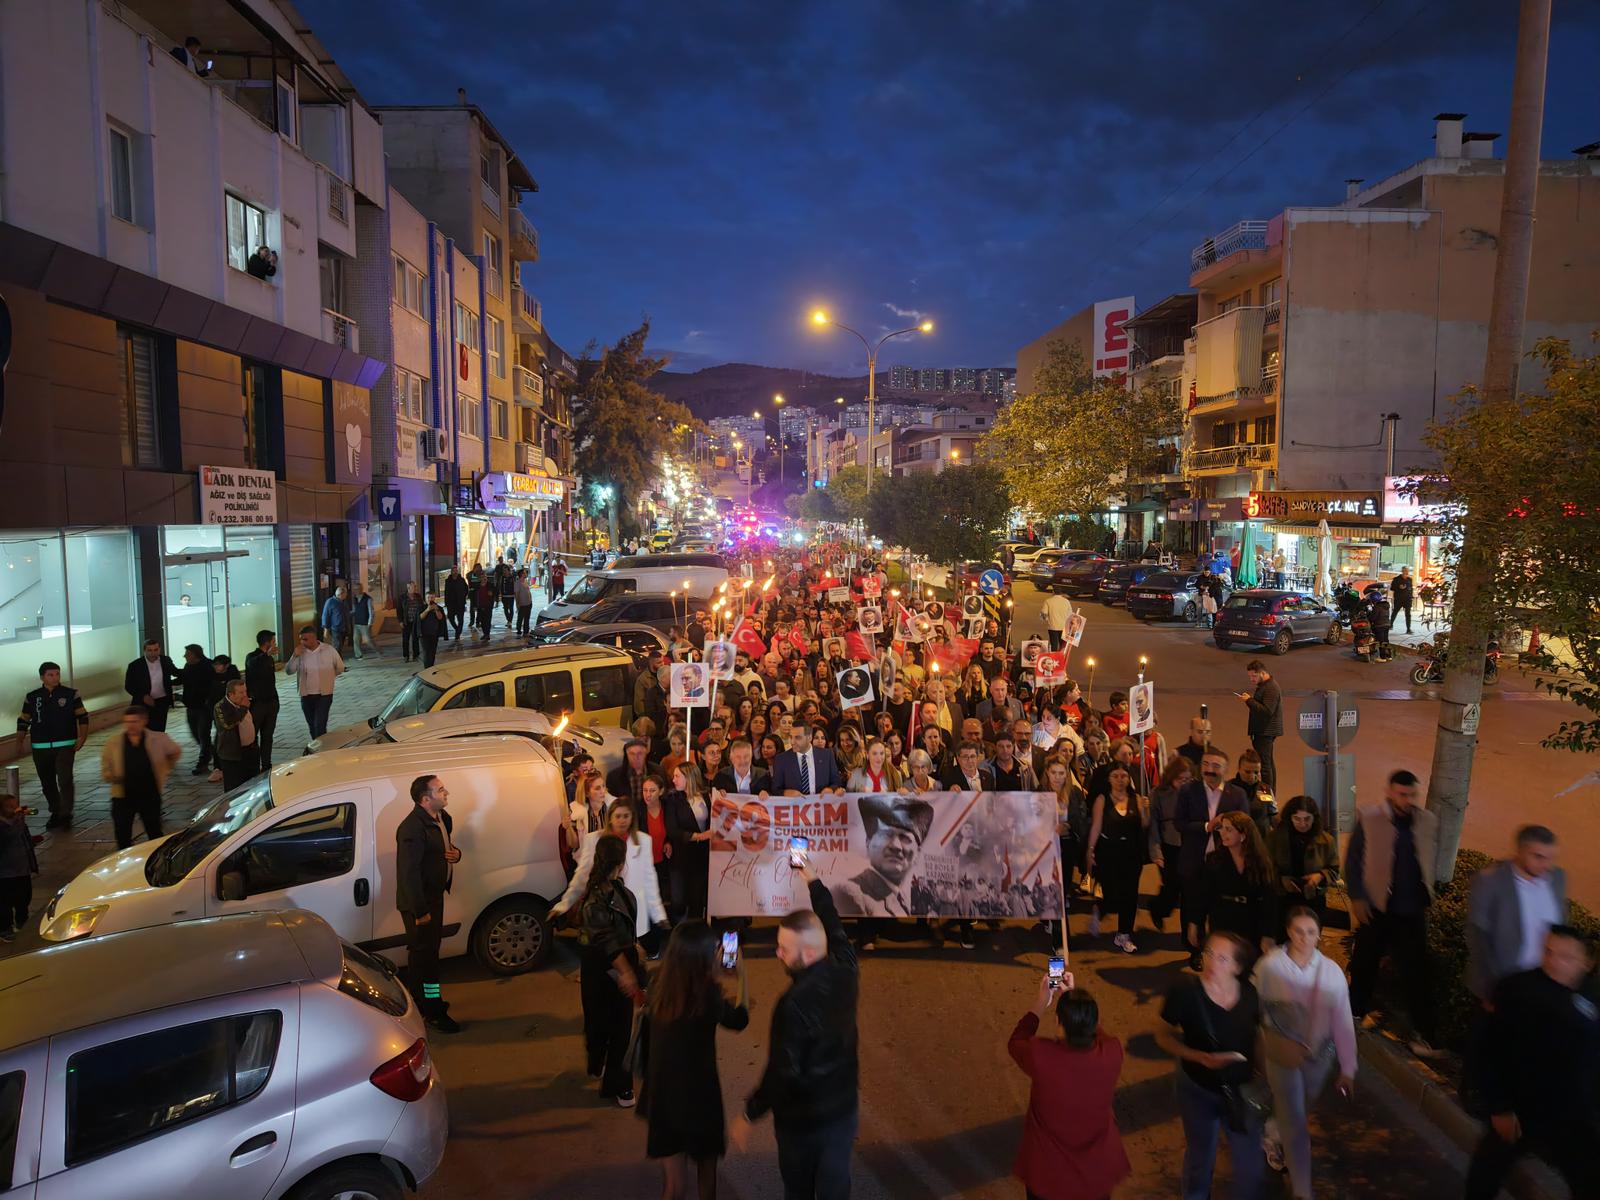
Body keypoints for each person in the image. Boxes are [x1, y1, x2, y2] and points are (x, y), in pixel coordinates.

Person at [731, 856, 860, 1198]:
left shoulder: (792, 1005)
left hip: (802, 1124)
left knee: (799, 1189)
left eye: (784, 949)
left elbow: (782, 1073)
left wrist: (749, 1113)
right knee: (835, 1188)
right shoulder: (847, 969)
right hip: (842, 1108)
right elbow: (831, 921)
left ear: (806, 954)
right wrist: (811, 878)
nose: (777, 954)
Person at [1463, 925, 1599, 1200]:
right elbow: (1486, 1048)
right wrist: (1499, 1107)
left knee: (1590, 1183)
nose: (1553, 962)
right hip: (1522, 1107)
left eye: (1565, 957)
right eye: (1548, 952)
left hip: (1573, 1114)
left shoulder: (1592, 994)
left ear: (1586, 962)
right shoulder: (1517, 989)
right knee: (1485, 1175)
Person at [642, 921, 752, 1199]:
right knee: (706, 1176)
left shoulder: (657, 984)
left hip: (663, 1098)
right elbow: (740, 1019)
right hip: (699, 1099)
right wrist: (741, 975)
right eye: (714, 947)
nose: (718, 951)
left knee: (674, 1187)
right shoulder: (708, 995)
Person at [1254, 907, 1356, 1200]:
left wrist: (1347, 1067)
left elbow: (1343, 1020)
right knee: (1297, 1121)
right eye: (1298, 931)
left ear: (1320, 935)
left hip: (1318, 1058)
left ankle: (1272, 1132)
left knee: (1301, 1106)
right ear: (1288, 932)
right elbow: (1254, 1010)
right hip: (1281, 1058)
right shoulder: (1268, 967)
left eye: (1311, 932)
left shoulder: (1332, 972)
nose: (1304, 938)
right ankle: (1302, 1190)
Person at [1156, 930, 1267, 1200]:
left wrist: (1264, 1074)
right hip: (1197, 1089)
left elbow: (1258, 1036)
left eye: (1222, 958)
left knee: (1249, 1164)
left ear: (1238, 967)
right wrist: (1200, 1058)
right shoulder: (1184, 993)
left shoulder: (1250, 994)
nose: (1211, 963)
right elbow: (1162, 1035)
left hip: (1240, 1091)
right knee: (1200, 1158)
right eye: (1208, 954)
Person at [1007, 968, 1129, 1200]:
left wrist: (1042, 1000)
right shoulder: (1112, 1052)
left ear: (1058, 1023)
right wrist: (1074, 1002)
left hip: (1048, 1175)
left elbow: (1017, 1041)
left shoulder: (1042, 1056)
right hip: (1096, 1174)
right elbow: (1096, 1033)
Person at [1345, 768, 1442, 1057]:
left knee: (1416, 972)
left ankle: (1424, 1034)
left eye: (1413, 794)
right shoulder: (1370, 818)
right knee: (1364, 964)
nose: (1408, 799)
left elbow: (1429, 857)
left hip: (1411, 910)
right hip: (1377, 907)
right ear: (1389, 792)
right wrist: (1358, 897)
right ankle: (1354, 1014)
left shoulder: (1427, 821)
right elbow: (1352, 861)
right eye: (1402, 794)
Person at [577, 834, 645, 1106]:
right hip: (606, 969)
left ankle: (617, 1083)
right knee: (604, 1025)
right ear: (620, 862)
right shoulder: (596, 897)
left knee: (618, 1028)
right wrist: (626, 972)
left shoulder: (618, 890)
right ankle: (606, 1071)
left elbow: (622, 930)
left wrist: (635, 947)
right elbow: (604, 939)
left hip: (613, 965)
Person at [1466, 824, 1567, 1005]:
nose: (1546, 865)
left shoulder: (1558, 877)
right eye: (1538, 857)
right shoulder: (1490, 881)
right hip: (1504, 986)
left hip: (1544, 985)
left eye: (1551, 858)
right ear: (1520, 851)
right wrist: (1492, 991)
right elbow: (1478, 938)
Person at [396, 774, 463, 1034]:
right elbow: (408, 873)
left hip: (433, 899)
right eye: (440, 790)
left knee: (424, 955)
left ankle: (421, 1004)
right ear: (425, 799)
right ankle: (433, 1010)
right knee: (427, 959)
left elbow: (447, 848)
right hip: (420, 905)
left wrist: (457, 855)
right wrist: (420, 912)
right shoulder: (412, 829)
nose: (446, 792)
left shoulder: (442, 819)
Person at [554, 803, 670, 946]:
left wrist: (658, 913)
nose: (622, 820)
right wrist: (564, 904)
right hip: (605, 907)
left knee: (629, 949)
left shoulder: (643, 840)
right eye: (618, 816)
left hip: (632, 907)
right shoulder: (594, 839)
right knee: (609, 949)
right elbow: (581, 875)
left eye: (626, 816)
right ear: (610, 818)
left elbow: (649, 879)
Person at [1176, 748, 1250, 969]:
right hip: (1194, 862)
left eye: (1216, 766)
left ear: (1226, 770)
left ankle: (1219, 952)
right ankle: (1195, 951)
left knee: (1218, 909)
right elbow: (1179, 823)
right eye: (1206, 764)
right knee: (1191, 908)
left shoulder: (1237, 795)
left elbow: (1246, 826)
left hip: (1223, 865)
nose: (1209, 770)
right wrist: (1208, 826)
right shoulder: (1188, 791)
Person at [831, 795, 934, 918]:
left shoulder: (903, 899)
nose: (896, 846)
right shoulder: (849, 892)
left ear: (918, 853)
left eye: (905, 838)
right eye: (886, 835)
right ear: (868, 843)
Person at [1194, 810, 1278, 959]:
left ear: (1243, 835)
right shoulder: (1214, 860)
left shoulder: (1260, 862)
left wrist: (1268, 934)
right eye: (1221, 828)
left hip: (1251, 920)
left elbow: (1269, 900)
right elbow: (1203, 895)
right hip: (1223, 919)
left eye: (1229, 829)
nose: (1223, 833)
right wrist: (1195, 923)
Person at [1086, 762, 1149, 953]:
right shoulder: (1102, 799)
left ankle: (1123, 934)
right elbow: (1096, 825)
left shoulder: (1136, 798)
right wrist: (1090, 850)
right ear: (1109, 778)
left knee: (1129, 895)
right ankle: (1101, 908)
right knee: (1112, 893)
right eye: (1116, 776)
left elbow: (1144, 824)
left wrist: (1146, 809)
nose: (1120, 780)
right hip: (1108, 851)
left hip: (1131, 852)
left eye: (1124, 776)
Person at [17, 660, 88, 830]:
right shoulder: (32, 697)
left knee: (64, 779)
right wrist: (19, 741)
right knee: (47, 781)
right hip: (40, 746)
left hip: (65, 744)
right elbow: (24, 720)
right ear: (42, 677)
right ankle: (55, 811)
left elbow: (83, 716)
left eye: (57, 674)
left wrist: (82, 737)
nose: (55, 678)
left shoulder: (71, 694)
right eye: (50, 675)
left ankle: (65, 813)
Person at [100, 705, 181, 849]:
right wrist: (112, 776)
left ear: (144, 721)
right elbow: (106, 765)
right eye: (127, 722)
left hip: (149, 793)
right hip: (122, 796)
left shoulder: (158, 739)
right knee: (122, 833)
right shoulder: (114, 742)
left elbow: (175, 752)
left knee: (154, 830)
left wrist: (164, 768)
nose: (130, 726)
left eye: (134, 721)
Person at [1266, 796, 1339, 930]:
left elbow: (1334, 869)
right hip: (1282, 897)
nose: (1303, 824)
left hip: (1313, 897)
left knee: (1308, 938)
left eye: (1307, 819)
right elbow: (1266, 868)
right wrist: (1282, 881)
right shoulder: (1274, 838)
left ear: (1314, 818)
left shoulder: (1326, 841)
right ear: (1290, 818)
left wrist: (1320, 876)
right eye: (1297, 819)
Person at [1148, 756, 1193, 933]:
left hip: (1189, 846)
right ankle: (1157, 908)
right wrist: (1156, 852)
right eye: (1180, 779)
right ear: (1171, 777)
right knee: (1172, 887)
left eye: (1188, 779)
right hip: (1169, 846)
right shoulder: (1159, 794)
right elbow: (1154, 825)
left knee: (1188, 888)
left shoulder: (1195, 792)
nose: (1184, 783)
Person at [665, 763, 715, 920]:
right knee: (678, 900)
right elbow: (673, 831)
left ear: (689, 777)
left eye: (677, 776)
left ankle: (694, 933)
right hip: (681, 856)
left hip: (701, 857)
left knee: (697, 898)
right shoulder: (672, 799)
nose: (673, 780)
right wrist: (700, 836)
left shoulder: (707, 796)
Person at [285, 624, 344, 740]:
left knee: (320, 725)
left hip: (324, 695)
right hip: (306, 695)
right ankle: (317, 746)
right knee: (312, 725)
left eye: (305, 639)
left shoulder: (328, 650)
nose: (302, 642)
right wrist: (294, 656)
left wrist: (329, 677)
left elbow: (340, 668)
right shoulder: (300, 653)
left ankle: (321, 749)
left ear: (314, 638)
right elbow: (289, 671)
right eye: (301, 639)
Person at [1238, 661, 1282, 791]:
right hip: (1263, 730)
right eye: (1250, 676)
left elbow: (1267, 711)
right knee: (1267, 762)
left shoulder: (1271, 688)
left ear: (1262, 673)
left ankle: (1269, 796)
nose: (1252, 679)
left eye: (1254, 676)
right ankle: (1271, 795)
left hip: (1265, 731)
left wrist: (1249, 701)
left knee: (1265, 765)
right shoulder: (1265, 686)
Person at [772, 718, 844, 795]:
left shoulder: (827, 755)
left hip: (820, 804)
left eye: (797, 737)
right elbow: (775, 789)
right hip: (795, 805)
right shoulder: (781, 759)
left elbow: (836, 781)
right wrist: (785, 792)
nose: (792, 742)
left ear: (809, 737)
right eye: (791, 737)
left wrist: (831, 789)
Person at [243, 630, 280, 773]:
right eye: (273, 641)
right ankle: (252, 766)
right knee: (252, 736)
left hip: (271, 702)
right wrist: (266, 655)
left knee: (268, 736)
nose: (275, 644)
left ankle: (266, 765)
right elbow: (253, 665)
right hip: (257, 704)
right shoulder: (252, 657)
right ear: (267, 643)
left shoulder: (268, 658)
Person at [176, 644, 216, 775]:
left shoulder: (208, 666)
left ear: (195, 654)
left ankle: (202, 762)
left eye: (187, 654)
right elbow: (182, 679)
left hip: (205, 707)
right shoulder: (188, 667)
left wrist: (208, 700)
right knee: (195, 733)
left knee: (203, 733)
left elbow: (213, 684)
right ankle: (213, 753)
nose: (185, 656)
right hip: (191, 706)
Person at [124, 637, 179, 732]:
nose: (153, 653)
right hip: (143, 702)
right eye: (149, 650)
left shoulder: (165, 660)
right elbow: (129, 686)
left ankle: (157, 746)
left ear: (159, 649)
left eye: (156, 650)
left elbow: (176, 672)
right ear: (144, 651)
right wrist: (143, 696)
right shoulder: (135, 665)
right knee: (143, 730)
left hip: (162, 701)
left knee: (159, 729)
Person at [212, 679, 258, 791]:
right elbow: (228, 724)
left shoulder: (245, 702)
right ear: (231, 694)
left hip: (250, 751)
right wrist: (243, 708)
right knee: (234, 788)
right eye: (241, 693)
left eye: (245, 691)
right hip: (233, 754)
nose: (244, 695)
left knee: (253, 785)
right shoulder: (221, 707)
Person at [416, 593, 447, 668]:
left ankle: (431, 667)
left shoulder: (438, 608)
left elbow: (440, 618)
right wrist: (427, 610)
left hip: (434, 633)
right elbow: (420, 618)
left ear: (434, 598)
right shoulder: (421, 607)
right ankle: (427, 668)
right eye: (428, 597)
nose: (430, 599)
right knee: (426, 652)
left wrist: (436, 610)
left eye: (432, 597)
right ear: (425, 599)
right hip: (424, 634)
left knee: (432, 652)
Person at [397, 581, 425, 662]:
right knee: (405, 639)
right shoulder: (402, 597)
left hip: (416, 621)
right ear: (409, 588)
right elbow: (399, 610)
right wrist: (400, 621)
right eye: (414, 587)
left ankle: (416, 656)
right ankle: (406, 656)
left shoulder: (418, 596)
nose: (415, 588)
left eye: (415, 586)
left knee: (415, 639)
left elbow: (422, 606)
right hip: (406, 621)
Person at [351, 584, 380, 658]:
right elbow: (354, 610)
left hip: (365, 623)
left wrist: (370, 623)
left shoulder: (368, 599)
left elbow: (371, 612)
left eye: (357, 589)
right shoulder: (355, 599)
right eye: (354, 589)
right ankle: (358, 655)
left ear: (361, 589)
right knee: (356, 640)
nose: (355, 591)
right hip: (357, 623)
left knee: (368, 640)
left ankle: (377, 650)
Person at [514, 569, 534, 637]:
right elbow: (517, 594)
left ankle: (526, 631)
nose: (526, 574)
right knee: (520, 618)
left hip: (528, 603)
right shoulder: (518, 583)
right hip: (522, 604)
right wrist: (517, 604)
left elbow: (529, 591)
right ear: (522, 574)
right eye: (525, 573)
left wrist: (531, 600)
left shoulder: (525, 581)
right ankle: (519, 630)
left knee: (527, 618)